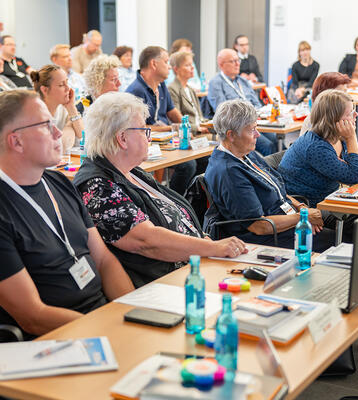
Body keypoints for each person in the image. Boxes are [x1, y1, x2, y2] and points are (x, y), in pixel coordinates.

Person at [73, 92, 247, 288]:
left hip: (192, 266)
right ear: (122, 138)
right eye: (144, 130)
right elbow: (146, 240)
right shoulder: (97, 186)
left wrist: (207, 243)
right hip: (162, 284)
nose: (150, 137)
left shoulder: (132, 172)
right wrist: (212, 247)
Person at [0, 89, 134, 338]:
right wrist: (108, 332)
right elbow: (33, 315)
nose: (58, 133)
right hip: (54, 340)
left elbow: (103, 260)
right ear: (16, 141)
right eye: (45, 125)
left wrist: (133, 313)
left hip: (100, 319)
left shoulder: (58, 182)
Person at [204, 99, 334, 249]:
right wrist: (303, 218)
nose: (258, 134)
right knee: (341, 240)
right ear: (231, 135)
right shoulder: (228, 172)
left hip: (286, 219)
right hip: (267, 237)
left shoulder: (246, 153)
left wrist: (301, 208)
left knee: (342, 224)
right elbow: (259, 226)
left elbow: (276, 190)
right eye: (251, 130)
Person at [278, 89, 358, 209]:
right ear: (333, 119)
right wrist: (352, 138)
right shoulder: (316, 146)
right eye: (349, 113)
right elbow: (357, 176)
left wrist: (350, 169)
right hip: (310, 208)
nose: (356, 115)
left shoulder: (340, 137)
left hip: (332, 198)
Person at [126, 46, 196, 195]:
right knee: (188, 165)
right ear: (153, 64)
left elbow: (173, 113)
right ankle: (173, 200)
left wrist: (187, 127)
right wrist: (171, 129)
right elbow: (140, 128)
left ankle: (194, 202)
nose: (170, 66)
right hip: (149, 145)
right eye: (166, 62)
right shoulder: (136, 90)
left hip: (167, 141)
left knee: (203, 159)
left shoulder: (161, 85)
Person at [208, 48, 278, 156]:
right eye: (232, 61)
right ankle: (268, 171)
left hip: (256, 121)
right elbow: (222, 111)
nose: (237, 64)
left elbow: (257, 103)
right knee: (268, 145)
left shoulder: (243, 81)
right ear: (221, 64)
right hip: (239, 127)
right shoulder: (216, 83)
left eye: (238, 60)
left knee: (276, 139)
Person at [30, 65, 83, 151]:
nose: (68, 88)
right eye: (61, 85)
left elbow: (83, 137)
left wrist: (71, 108)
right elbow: (63, 145)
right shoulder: (33, 114)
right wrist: (69, 125)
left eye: (67, 82)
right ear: (45, 90)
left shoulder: (63, 108)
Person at [168, 51, 208, 134]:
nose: (192, 68)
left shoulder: (190, 89)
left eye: (192, 64)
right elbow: (176, 120)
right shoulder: (172, 89)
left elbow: (199, 117)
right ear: (176, 69)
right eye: (187, 65)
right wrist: (197, 128)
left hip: (201, 130)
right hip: (189, 133)